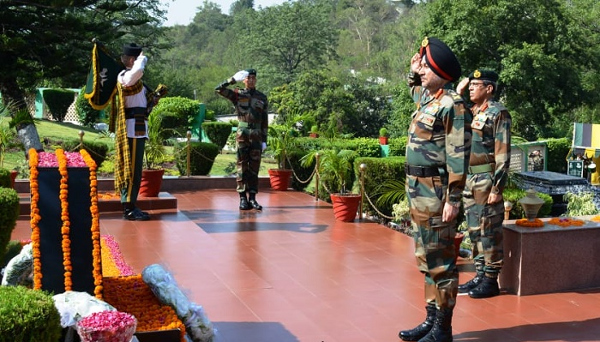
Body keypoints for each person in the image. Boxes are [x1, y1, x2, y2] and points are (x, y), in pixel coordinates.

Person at [398, 37, 471, 342]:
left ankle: (443, 327)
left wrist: (453, 198)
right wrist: (414, 72)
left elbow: (458, 154)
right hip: (417, 188)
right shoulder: (429, 99)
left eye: (427, 66)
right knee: (426, 258)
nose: (422, 70)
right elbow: (415, 90)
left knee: (441, 262)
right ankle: (430, 319)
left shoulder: (451, 104)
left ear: (441, 70)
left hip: (436, 191)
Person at [455, 69, 511, 298]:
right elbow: (454, 118)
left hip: (487, 180)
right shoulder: (471, 111)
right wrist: (458, 93)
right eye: (470, 85)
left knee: (489, 230)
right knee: (474, 230)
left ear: (489, 89)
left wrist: (497, 189)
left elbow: (503, 153)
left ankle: (491, 279)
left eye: (475, 85)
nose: (471, 88)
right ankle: (479, 273)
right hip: (470, 179)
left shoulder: (499, 113)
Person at [215, 69, 268, 210]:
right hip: (243, 133)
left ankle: (253, 198)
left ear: (256, 80)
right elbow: (218, 89)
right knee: (242, 166)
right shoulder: (238, 95)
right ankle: (242, 198)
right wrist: (231, 80)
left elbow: (264, 120)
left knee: (254, 167)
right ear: (243, 80)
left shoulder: (262, 97)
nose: (251, 80)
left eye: (253, 78)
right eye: (248, 78)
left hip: (257, 134)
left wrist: (264, 140)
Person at [116, 43, 150, 221]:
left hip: (139, 126)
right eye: (137, 59)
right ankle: (128, 207)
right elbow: (134, 76)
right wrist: (142, 59)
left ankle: (131, 203)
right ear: (131, 60)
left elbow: (142, 105)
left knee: (136, 170)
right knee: (131, 170)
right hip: (132, 129)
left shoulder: (137, 81)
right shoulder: (124, 76)